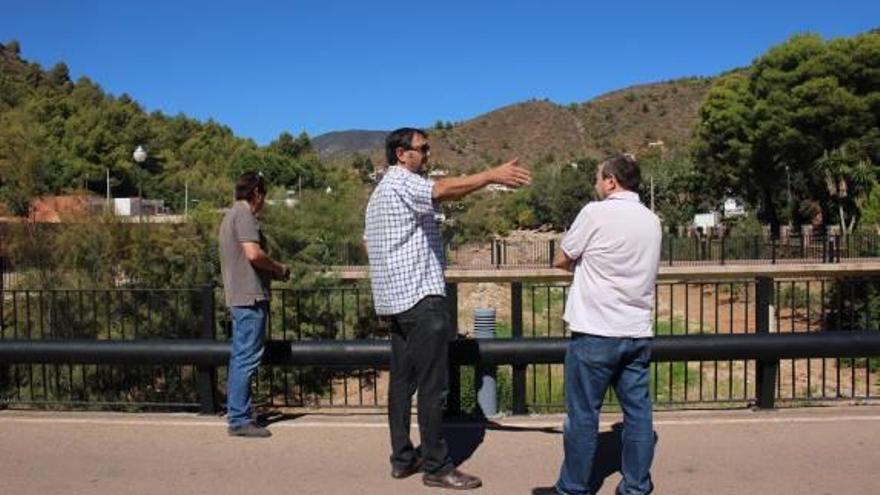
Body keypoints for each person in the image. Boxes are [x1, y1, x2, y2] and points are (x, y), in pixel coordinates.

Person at [365, 127, 531, 489]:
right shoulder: (403, 182)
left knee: (402, 384)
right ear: (401, 154)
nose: (428, 155)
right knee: (433, 387)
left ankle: (403, 458)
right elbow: (440, 190)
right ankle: (438, 467)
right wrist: (490, 175)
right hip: (422, 300)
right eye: (423, 149)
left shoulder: (379, 193)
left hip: (396, 302)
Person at [536, 154, 661, 495]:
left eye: (597, 178)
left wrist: (585, 265)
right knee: (638, 414)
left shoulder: (594, 212)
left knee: (583, 416)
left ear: (610, 181)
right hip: (636, 330)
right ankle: (636, 486)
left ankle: (573, 488)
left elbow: (561, 258)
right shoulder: (652, 220)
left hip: (595, 331)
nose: (595, 184)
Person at [219, 171, 290, 438]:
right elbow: (253, 253)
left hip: (239, 297)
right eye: (264, 196)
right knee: (246, 358)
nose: (263, 202)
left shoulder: (230, 215)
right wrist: (278, 268)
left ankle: (241, 413)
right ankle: (239, 419)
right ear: (257, 193)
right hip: (249, 297)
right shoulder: (245, 215)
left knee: (241, 355)